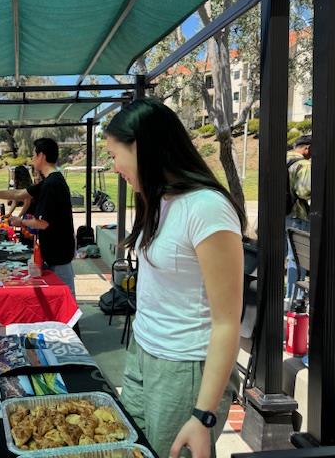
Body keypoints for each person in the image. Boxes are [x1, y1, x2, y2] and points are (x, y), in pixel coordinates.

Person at [104, 98, 245, 458]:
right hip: (145, 353)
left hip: (184, 370)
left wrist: (202, 414)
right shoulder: (160, 199)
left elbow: (227, 322)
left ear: (142, 147)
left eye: (115, 154)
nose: (114, 166)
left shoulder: (206, 208)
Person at [0, 138, 76, 298]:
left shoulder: (52, 184)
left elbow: (42, 223)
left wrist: (19, 221)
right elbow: (19, 194)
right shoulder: (50, 180)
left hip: (59, 255)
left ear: (41, 155)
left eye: (34, 154)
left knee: (64, 298)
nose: (32, 158)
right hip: (54, 253)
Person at [285, 135, 311, 304]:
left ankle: (287, 295)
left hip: (282, 214)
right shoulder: (304, 164)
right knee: (297, 256)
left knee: (288, 255)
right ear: (306, 148)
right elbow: (304, 191)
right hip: (298, 215)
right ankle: (295, 297)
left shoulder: (282, 158)